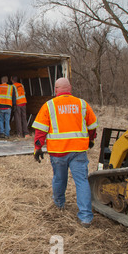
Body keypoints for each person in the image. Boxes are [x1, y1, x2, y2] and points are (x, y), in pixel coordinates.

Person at [32, 78, 98, 228]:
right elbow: (92, 126)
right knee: (81, 182)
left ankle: (59, 204)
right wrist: (91, 139)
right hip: (78, 151)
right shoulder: (82, 104)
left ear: (56, 89)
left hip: (58, 151)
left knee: (59, 179)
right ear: (70, 88)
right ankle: (86, 217)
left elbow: (40, 130)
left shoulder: (49, 105)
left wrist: (38, 148)